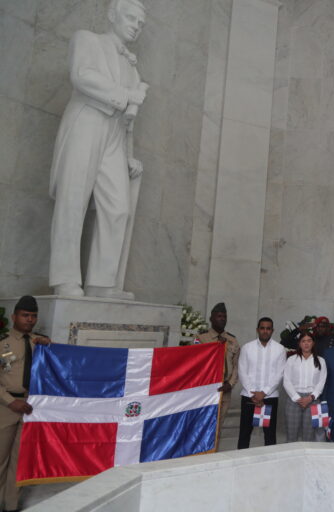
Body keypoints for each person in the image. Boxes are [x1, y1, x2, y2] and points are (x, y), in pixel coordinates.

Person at [48, 0, 150, 299]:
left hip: (115, 134)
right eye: (131, 18)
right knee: (72, 199)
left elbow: (129, 121)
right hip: (86, 121)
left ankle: (101, 283)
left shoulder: (133, 67)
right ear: (112, 15)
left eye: (140, 23)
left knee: (118, 207)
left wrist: (129, 154)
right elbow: (82, 76)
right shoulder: (87, 39)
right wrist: (128, 94)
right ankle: (65, 279)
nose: (136, 26)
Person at [0, 296, 51, 511]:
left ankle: (10, 506)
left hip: (31, 408)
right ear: (14, 317)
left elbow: (57, 367)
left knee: (20, 462)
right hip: (6, 407)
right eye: (25, 315)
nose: (30, 320)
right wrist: (11, 402)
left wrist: (51, 347)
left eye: (33, 316)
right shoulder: (3, 343)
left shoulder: (41, 342)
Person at [194, 302, 239, 449]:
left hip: (224, 390)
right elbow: (194, 364)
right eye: (219, 316)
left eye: (224, 317)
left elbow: (237, 366)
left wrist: (230, 384)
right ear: (211, 318)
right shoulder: (201, 338)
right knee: (201, 426)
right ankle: (199, 454)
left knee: (217, 427)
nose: (222, 319)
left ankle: (213, 453)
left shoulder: (232, 340)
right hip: (205, 391)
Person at [237, 317, 286, 448]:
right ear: (257, 330)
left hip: (269, 397)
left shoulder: (280, 349)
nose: (265, 331)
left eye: (268, 328)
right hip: (249, 396)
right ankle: (241, 462)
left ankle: (270, 465)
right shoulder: (247, 348)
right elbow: (242, 371)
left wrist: (264, 392)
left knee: (269, 434)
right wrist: (253, 393)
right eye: (262, 328)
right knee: (245, 433)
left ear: (272, 330)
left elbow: (279, 374)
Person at [283, 333, 327, 442]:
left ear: (313, 343)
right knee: (291, 435)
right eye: (303, 341)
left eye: (309, 340)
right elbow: (286, 381)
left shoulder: (321, 361)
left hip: (312, 400)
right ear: (299, 343)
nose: (306, 343)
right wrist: (297, 398)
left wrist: (310, 398)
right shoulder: (291, 360)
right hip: (294, 400)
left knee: (309, 436)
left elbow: (322, 382)